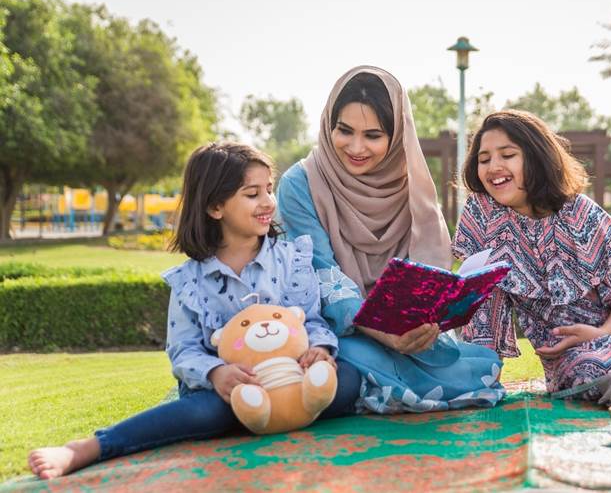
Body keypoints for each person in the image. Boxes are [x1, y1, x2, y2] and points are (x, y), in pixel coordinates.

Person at [28, 142, 360, 480]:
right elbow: (183, 349)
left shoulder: (291, 259)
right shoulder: (190, 281)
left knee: (346, 379)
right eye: (252, 193)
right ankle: (91, 446)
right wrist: (216, 373)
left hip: (288, 380)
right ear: (216, 206)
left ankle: (274, 411)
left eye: (269, 190)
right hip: (227, 395)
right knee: (207, 414)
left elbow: (311, 318)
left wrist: (319, 349)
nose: (267, 203)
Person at [277, 65, 505, 413]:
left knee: (479, 365)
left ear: (396, 134)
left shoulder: (408, 183)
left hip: (406, 332)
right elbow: (321, 274)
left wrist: (425, 323)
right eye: (344, 130)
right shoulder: (301, 184)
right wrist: (384, 333)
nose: (356, 147)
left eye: (373, 135)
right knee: (351, 366)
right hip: (335, 329)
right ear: (328, 124)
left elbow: (426, 269)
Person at [452, 110, 611, 400]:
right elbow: (483, 306)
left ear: (536, 157)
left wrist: (601, 335)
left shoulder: (580, 213)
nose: (493, 166)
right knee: (590, 372)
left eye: (507, 155)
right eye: (484, 159)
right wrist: (481, 378)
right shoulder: (481, 215)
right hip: (570, 359)